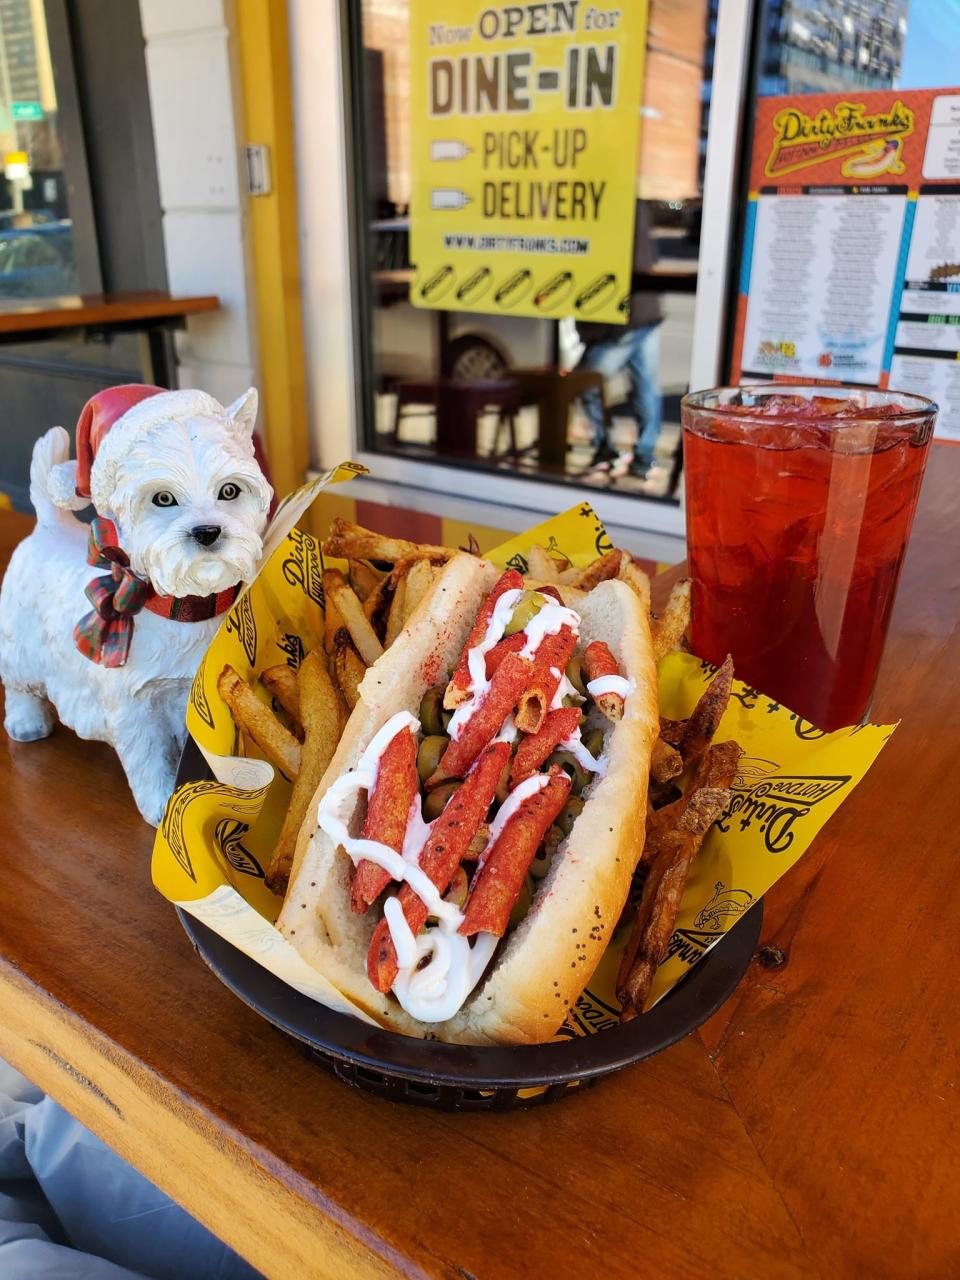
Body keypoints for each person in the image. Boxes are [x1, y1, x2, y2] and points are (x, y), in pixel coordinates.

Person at [576, 201, 663, 481]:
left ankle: (607, 449)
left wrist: (589, 331)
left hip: (623, 319)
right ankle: (643, 457)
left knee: (586, 383)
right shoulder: (635, 204)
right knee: (645, 389)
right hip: (645, 312)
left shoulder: (608, 205)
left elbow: (600, 265)